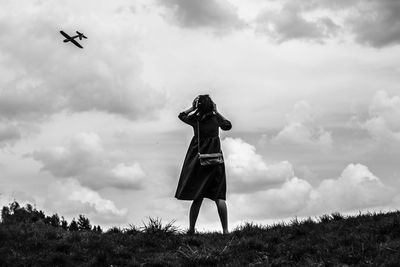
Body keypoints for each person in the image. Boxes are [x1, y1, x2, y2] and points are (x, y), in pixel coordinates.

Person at [175, 94, 232, 234]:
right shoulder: (216, 119)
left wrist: (192, 108)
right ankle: (225, 230)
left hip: (200, 163)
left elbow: (181, 116)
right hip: (216, 162)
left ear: (198, 106)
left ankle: (192, 229)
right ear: (212, 105)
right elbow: (228, 126)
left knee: (197, 197)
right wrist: (217, 112)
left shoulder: (196, 120)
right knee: (219, 197)